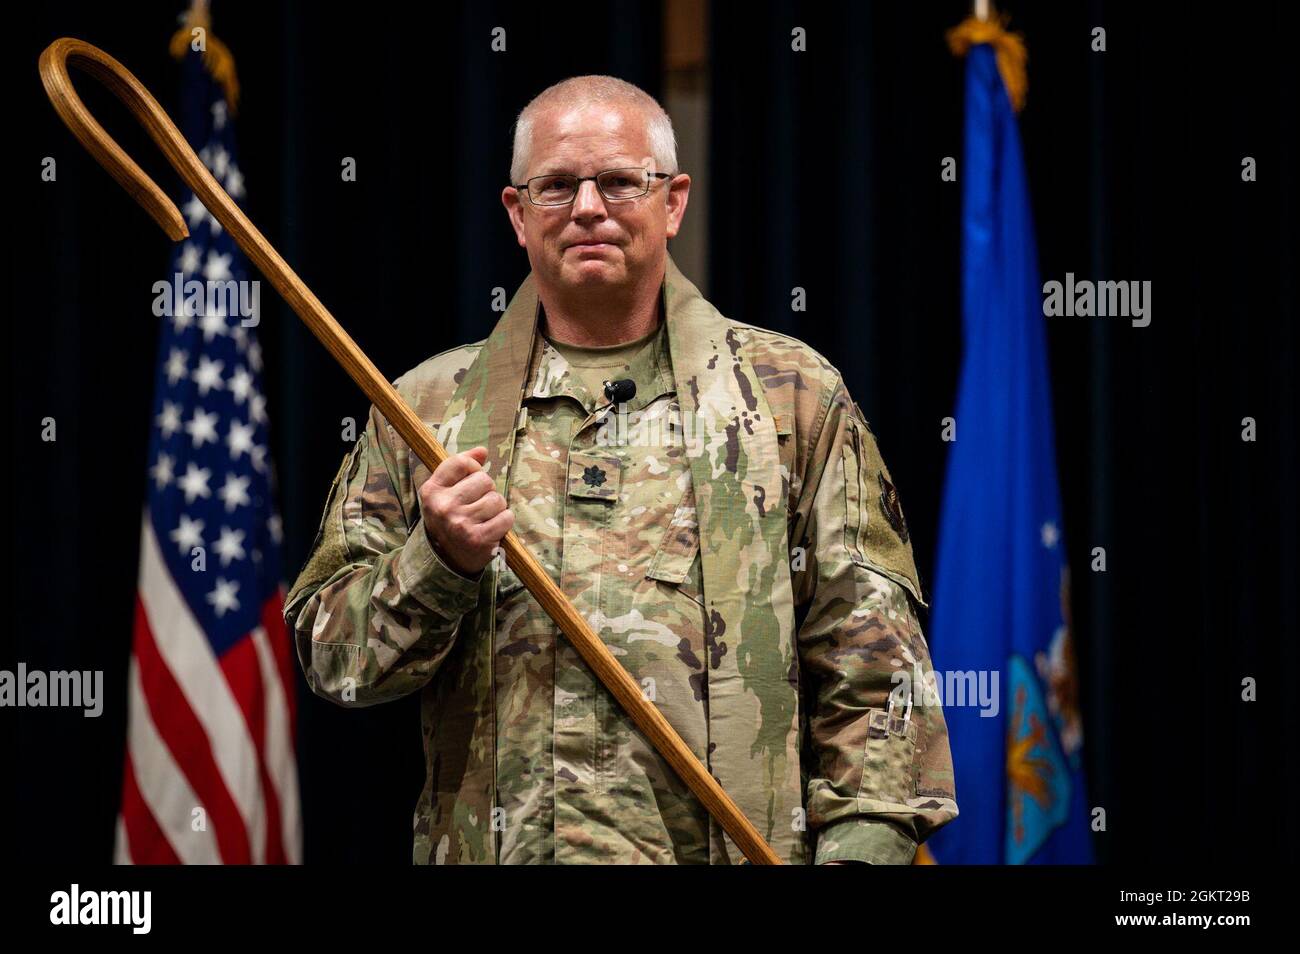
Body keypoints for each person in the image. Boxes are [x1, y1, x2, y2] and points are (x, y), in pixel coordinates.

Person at [285, 75, 958, 864]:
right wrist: (437, 562)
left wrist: (861, 852)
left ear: (672, 203)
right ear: (517, 213)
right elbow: (335, 664)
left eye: (618, 182)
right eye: (558, 185)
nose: (589, 208)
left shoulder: (793, 398)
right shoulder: (426, 409)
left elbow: (874, 668)